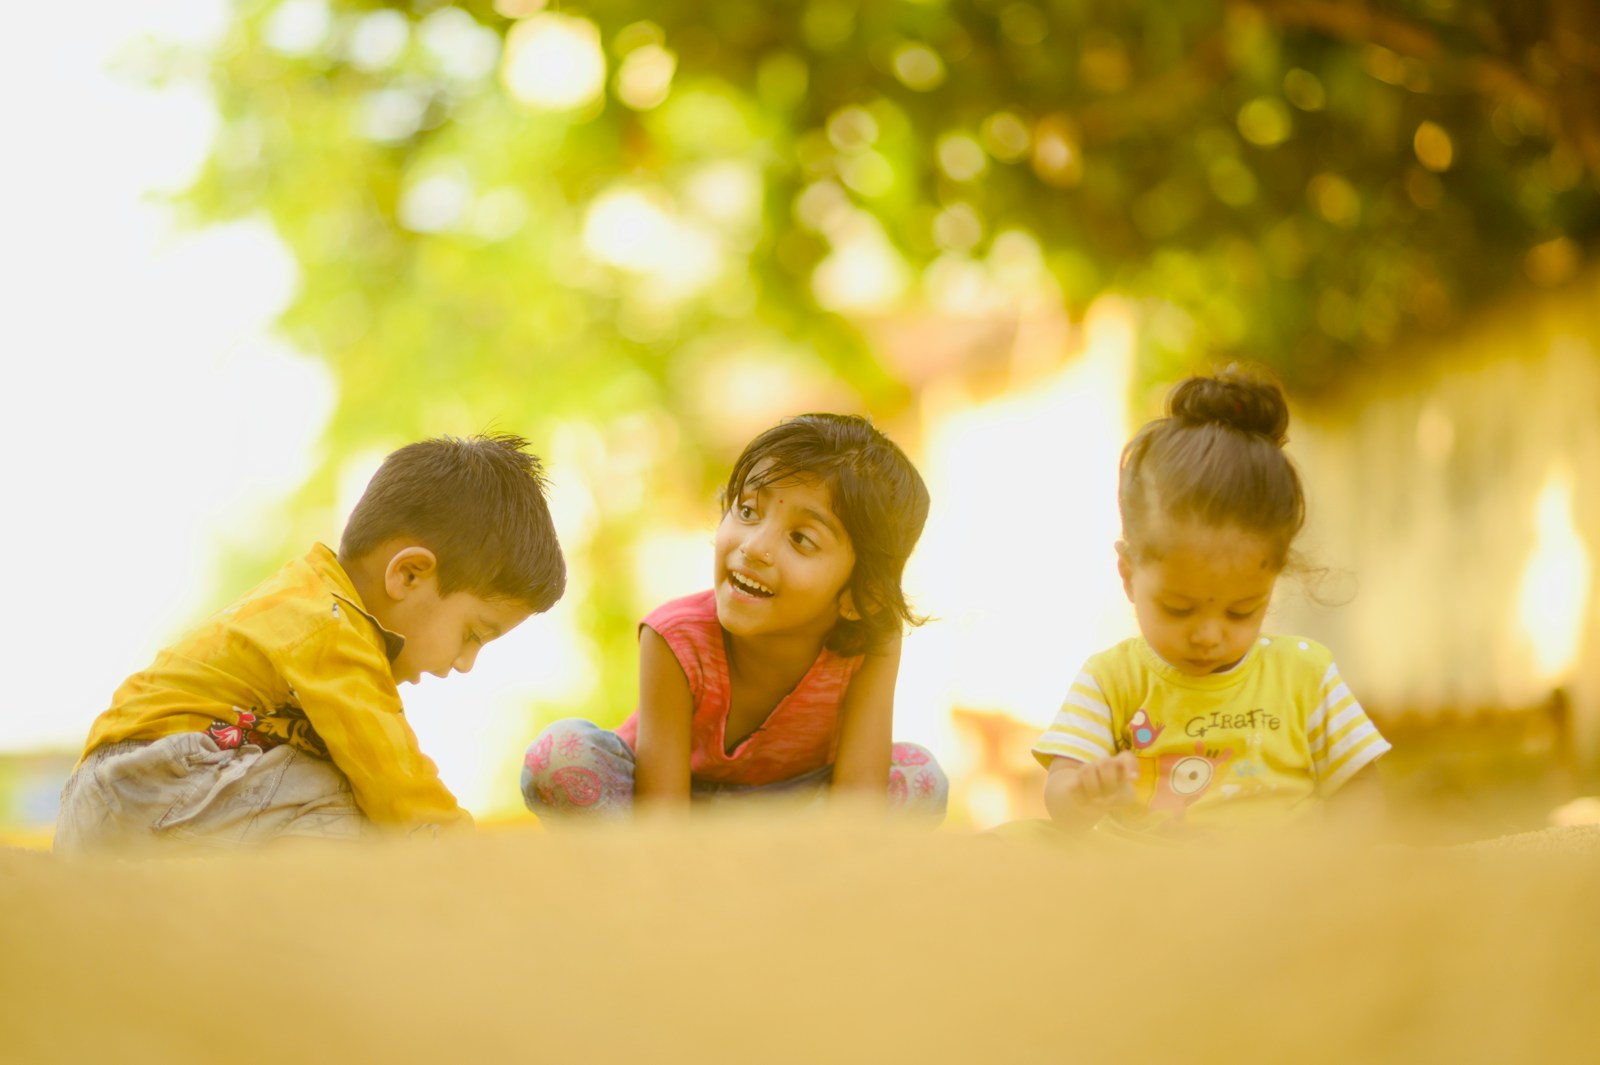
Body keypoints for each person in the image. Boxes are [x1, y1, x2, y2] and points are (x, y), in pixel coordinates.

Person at [55, 432, 566, 852]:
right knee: (361, 810)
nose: (467, 663)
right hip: (157, 781)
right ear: (408, 575)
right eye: (473, 634)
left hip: (125, 795)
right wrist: (473, 857)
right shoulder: (329, 626)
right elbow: (393, 775)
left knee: (337, 791)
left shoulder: (312, 605)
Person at [521, 413, 947, 820]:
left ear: (862, 597)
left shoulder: (871, 640)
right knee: (560, 755)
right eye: (747, 511)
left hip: (796, 814)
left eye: (801, 539)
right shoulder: (674, 638)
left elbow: (859, 804)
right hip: (676, 807)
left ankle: (787, 876)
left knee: (921, 779)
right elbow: (661, 816)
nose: (754, 546)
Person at [1031, 368, 1389, 841]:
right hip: (1142, 883)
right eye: (1178, 608)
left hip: (1279, 882)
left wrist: (1345, 860)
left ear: (1271, 578)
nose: (1208, 634)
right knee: (1025, 839)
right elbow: (1061, 796)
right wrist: (1081, 792)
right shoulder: (1111, 681)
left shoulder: (1307, 675)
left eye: (1241, 611)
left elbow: (1359, 787)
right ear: (1128, 574)